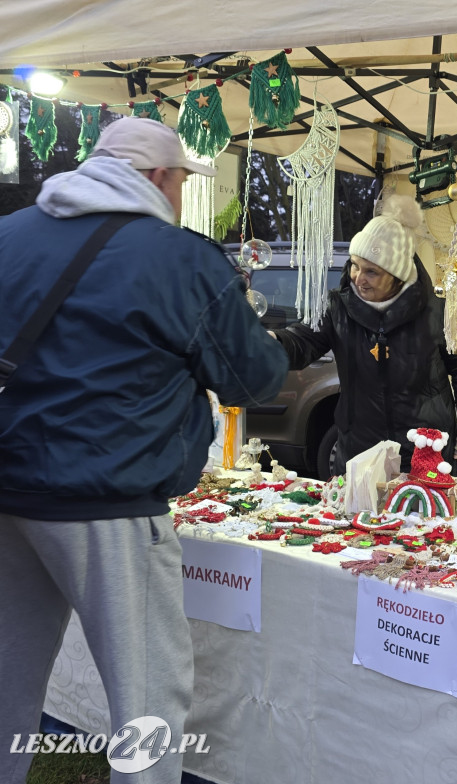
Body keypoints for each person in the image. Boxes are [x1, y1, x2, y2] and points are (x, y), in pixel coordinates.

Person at [0, 117, 288, 783]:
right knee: (149, 698)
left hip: (9, 490)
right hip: (109, 503)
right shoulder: (178, 256)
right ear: (160, 177)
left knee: (6, 679)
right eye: (183, 180)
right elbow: (252, 380)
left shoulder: (8, 236)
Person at [272, 195, 457, 475]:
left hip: (424, 450)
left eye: (371, 271)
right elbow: (302, 342)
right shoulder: (338, 307)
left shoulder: (439, 312)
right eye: (355, 265)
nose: (359, 278)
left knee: (422, 518)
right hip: (360, 450)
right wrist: (273, 343)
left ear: (397, 275)